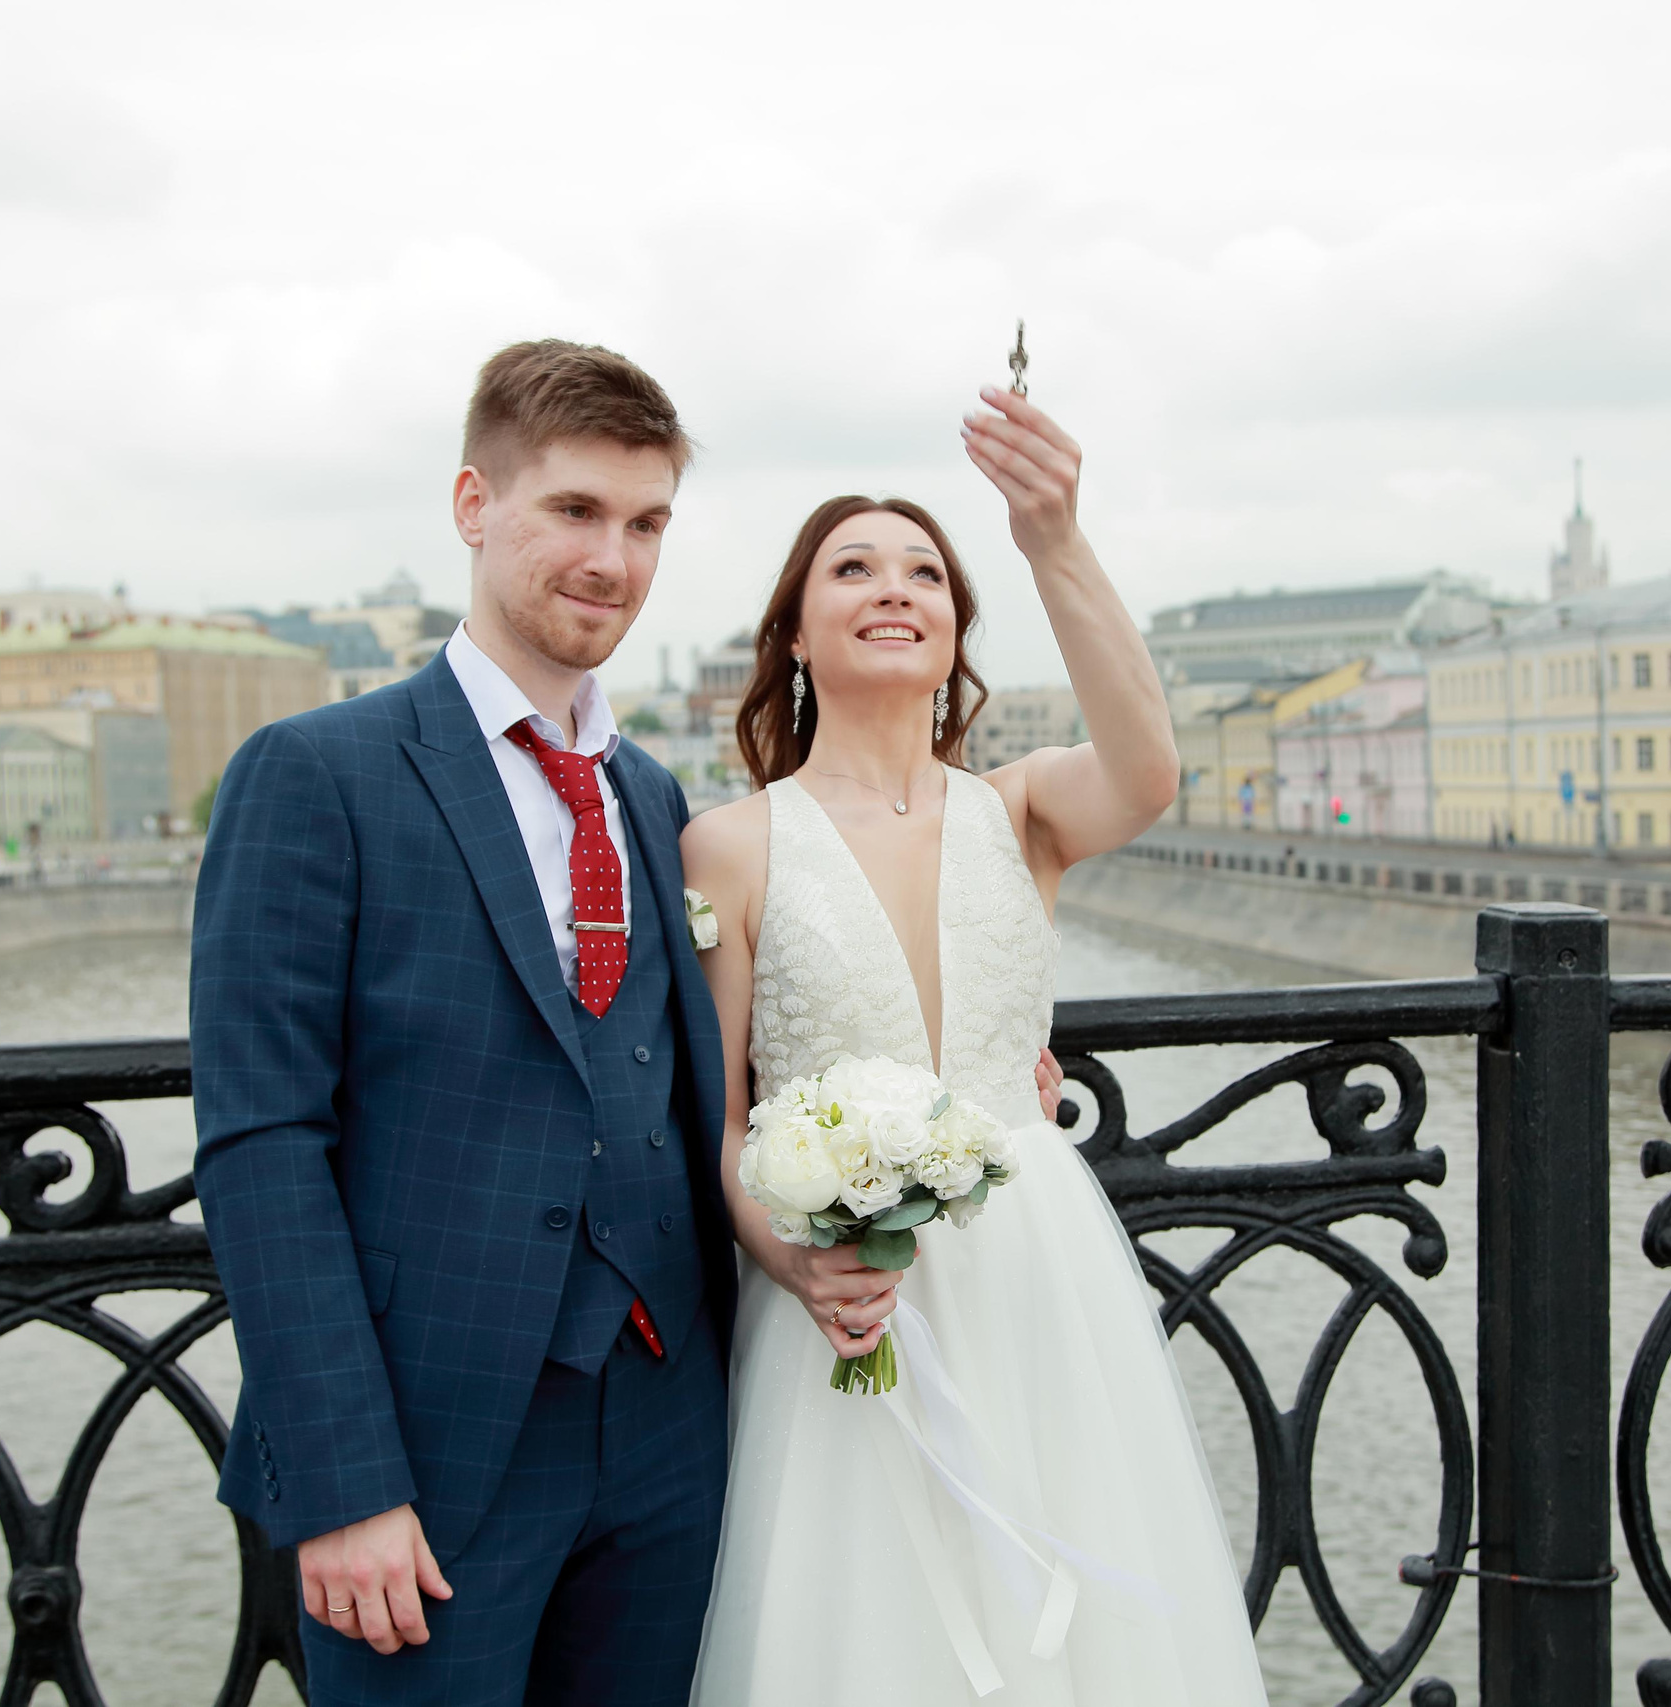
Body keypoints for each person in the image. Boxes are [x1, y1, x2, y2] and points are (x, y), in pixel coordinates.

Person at [680, 388, 1270, 1702]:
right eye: (853, 569)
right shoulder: (732, 845)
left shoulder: (1025, 810)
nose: (894, 588)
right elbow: (718, 1123)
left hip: (1035, 1283)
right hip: (842, 1304)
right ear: (792, 633)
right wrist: (800, 1264)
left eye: (926, 574)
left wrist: (1051, 534)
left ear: (955, 631)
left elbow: (1151, 768)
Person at [189, 340, 735, 1706]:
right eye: (575, 511)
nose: (614, 558)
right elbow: (262, 1141)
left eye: (647, 522)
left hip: (672, 1429)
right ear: (473, 504)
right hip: (430, 1450)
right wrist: (343, 1481)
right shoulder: (316, 775)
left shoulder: (656, 798)